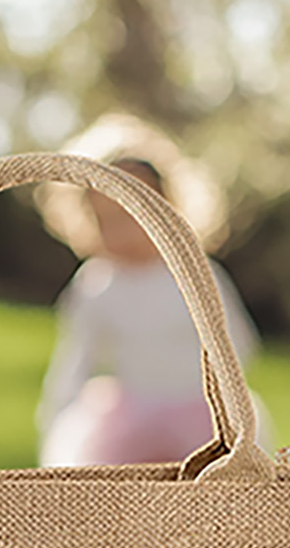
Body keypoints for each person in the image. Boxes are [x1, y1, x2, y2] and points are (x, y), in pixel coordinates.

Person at [35, 115, 264, 466]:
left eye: (131, 219)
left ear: (168, 209)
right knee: (110, 482)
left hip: (199, 415)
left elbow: (240, 346)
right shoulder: (96, 284)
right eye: (106, 222)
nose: (121, 235)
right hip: (127, 418)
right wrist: (56, 417)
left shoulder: (196, 274)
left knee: (214, 483)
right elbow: (76, 359)